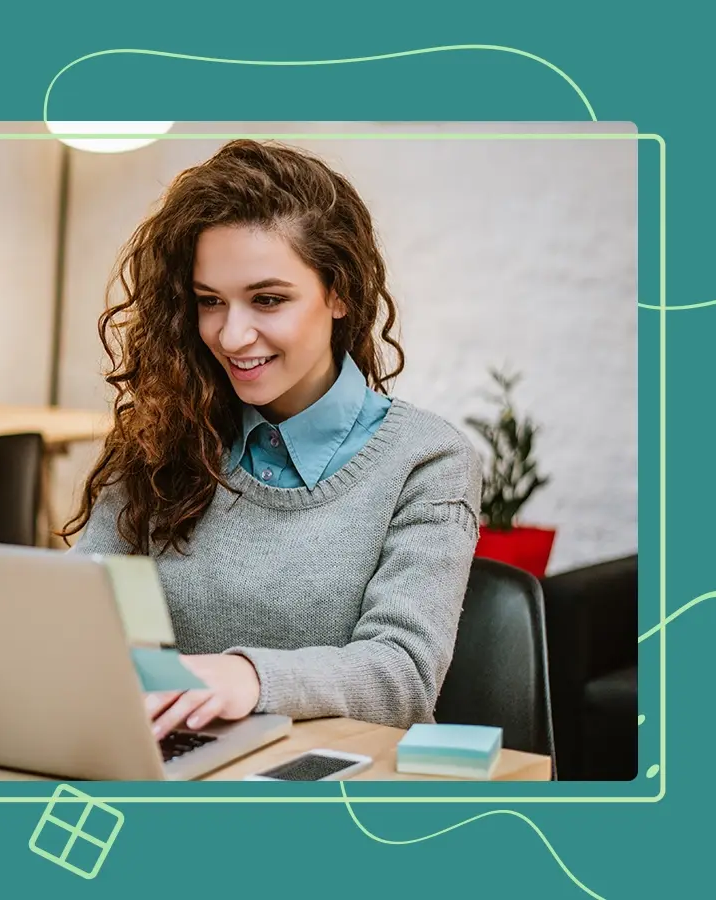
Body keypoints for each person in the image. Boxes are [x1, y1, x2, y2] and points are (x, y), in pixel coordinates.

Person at [59, 139, 483, 740]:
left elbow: (403, 674)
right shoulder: (164, 436)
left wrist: (246, 677)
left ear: (340, 293)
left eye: (268, 300)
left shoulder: (427, 461)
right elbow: (80, 608)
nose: (232, 336)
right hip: (167, 768)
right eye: (210, 302)